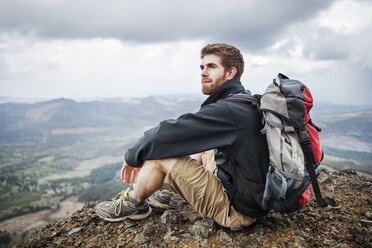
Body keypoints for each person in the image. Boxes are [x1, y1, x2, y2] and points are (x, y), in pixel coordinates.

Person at [95, 43, 269, 231]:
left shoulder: (230, 110)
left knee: (157, 157)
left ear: (230, 73)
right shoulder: (243, 100)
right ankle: (173, 189)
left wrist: (132, 156)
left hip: (236, 212)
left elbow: (165, 135)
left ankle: (134, 205)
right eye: (202, 67)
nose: (203, 72)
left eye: (212, 67)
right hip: (250, 195)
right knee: (204, 143)